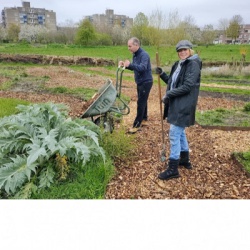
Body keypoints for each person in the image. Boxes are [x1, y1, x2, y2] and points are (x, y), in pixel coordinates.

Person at [155, 40, 202, 180]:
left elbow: (187, 86)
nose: (182, 52)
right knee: (180, 132)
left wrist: (169, 94)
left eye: (184, 50)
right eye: (180, 50)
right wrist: (163, 74)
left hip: (185, 104)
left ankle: (173, 168)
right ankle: (184, 159)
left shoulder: (193, 64)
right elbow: (173, 83)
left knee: (174, 133)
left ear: (190, 50)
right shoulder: (178, 64)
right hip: (178, 103)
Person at [119, 37, 153, 134]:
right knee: (143, 100)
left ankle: (136, 125)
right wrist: (125, 65)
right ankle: (144, 119)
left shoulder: (144, 55)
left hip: (146, 82)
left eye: (130, 46)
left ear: (136, 45)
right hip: (140, 82)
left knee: (140, 103)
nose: (128, 48)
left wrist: (130, 65)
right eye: (128, 46)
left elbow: (142, 68)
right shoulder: (135, 55)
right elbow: (135, 68)